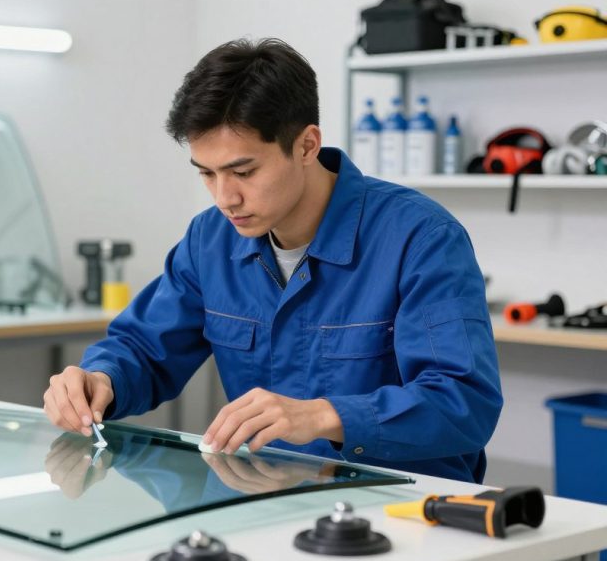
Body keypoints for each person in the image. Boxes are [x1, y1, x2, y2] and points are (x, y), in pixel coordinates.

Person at [43, 38, 502, 483]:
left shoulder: (420, 237)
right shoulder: (210, 239)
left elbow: (464, 402)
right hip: (267, 500)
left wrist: (323, 416)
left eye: (244, 172)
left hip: (402, 511)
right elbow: (143, 349)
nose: (226, 197)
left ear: (306, 146)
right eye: (207, 173)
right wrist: (101, 378)